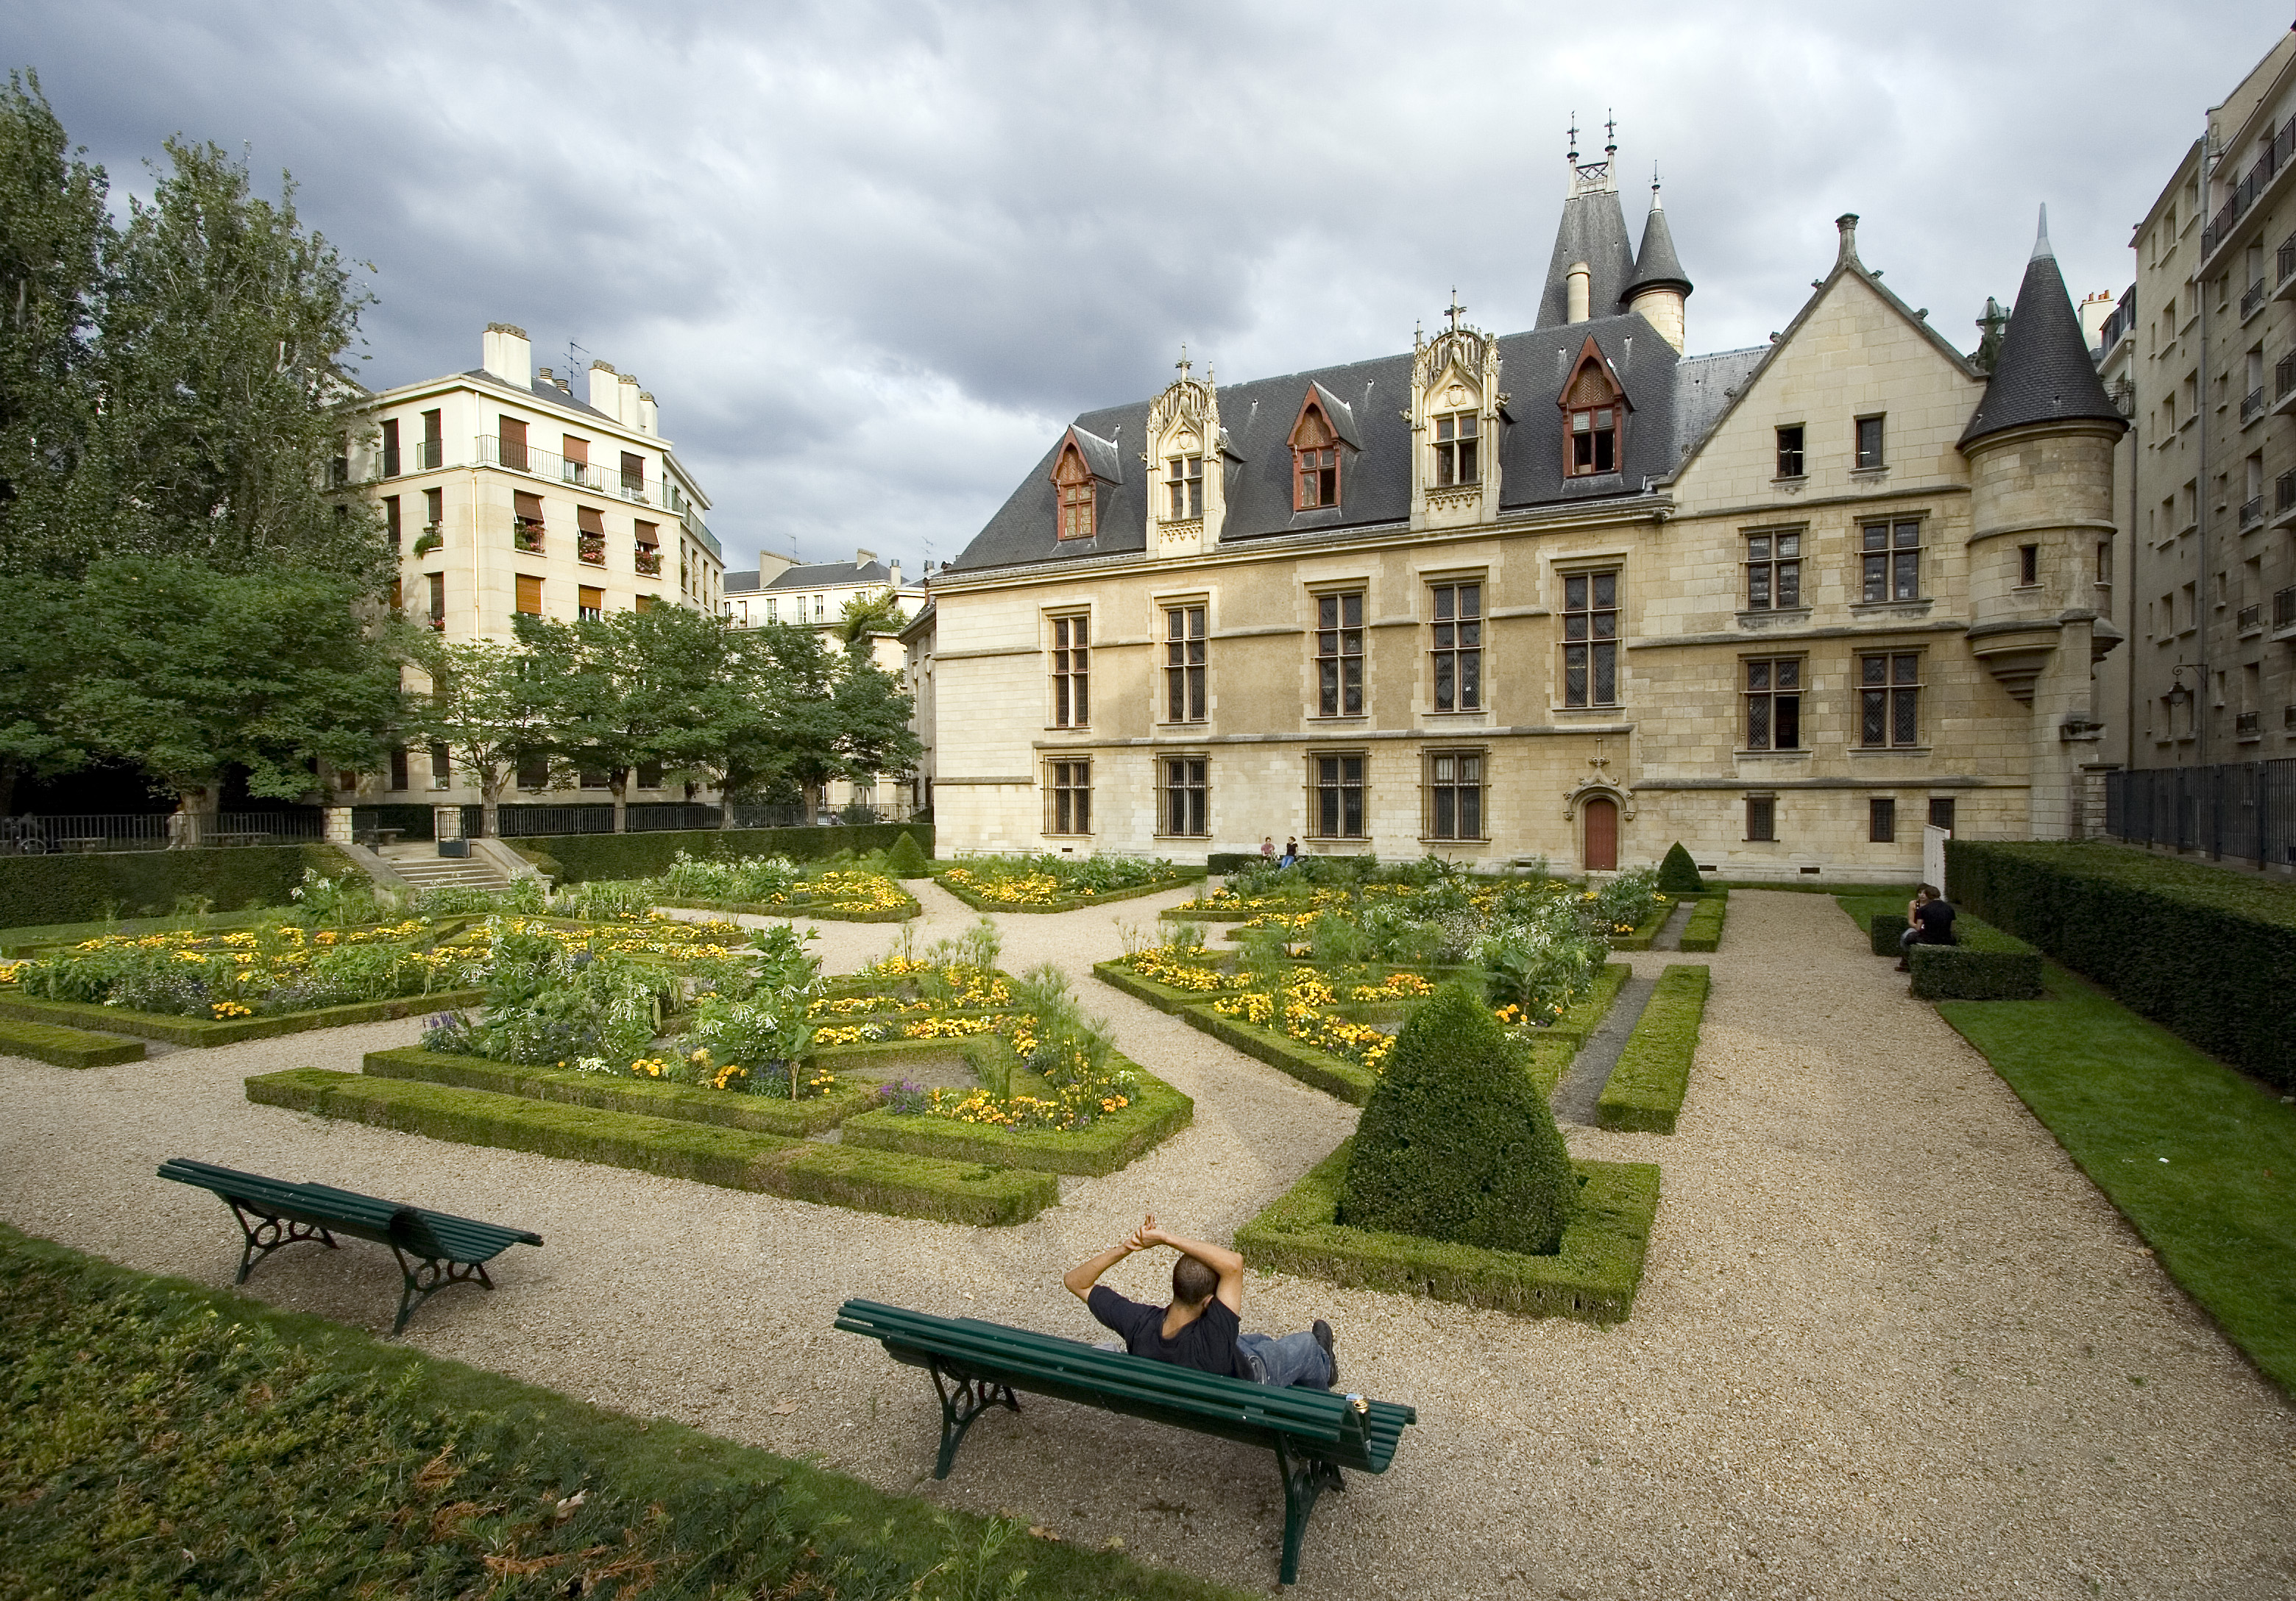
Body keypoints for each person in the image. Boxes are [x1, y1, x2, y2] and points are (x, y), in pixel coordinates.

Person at [1063, 1213, 1336, 1388]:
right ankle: (1325, 1368)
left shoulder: (1138, 1323)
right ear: (1209, 1302)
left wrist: (1127, 1247)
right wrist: (1166, 1238)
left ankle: (1292, 1359)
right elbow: (1234, 1263)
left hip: (1197, 1383)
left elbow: (1075, 1282)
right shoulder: (1212, 1341)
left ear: (1176, 1286)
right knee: (1306, 1346)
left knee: (1258, 1340)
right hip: (1250, 1382)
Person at [1898, 883, 1956, 970]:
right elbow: (1952, 928)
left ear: (1928, 896)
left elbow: (1918, 928)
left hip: (1927, 939)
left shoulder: (1924, 909)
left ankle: (1906, 965)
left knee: (1907, 939)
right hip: (1946, 940)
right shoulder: (1950, 908)